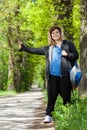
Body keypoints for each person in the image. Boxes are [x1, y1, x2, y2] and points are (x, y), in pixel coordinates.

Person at [18, 26, 78, 123]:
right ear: (51, 36)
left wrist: (67, 54)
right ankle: (48, 115)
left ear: (60, 33)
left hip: (65, 76)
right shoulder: (48, 48)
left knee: (66, 98)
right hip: (52, 77)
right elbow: (34, 50)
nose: (55, 34)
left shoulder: (68, 44)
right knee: (51, 97)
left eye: (56, 32)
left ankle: (68, 116)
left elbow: (76, 56)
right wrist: (23, 47)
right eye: (52, 33)